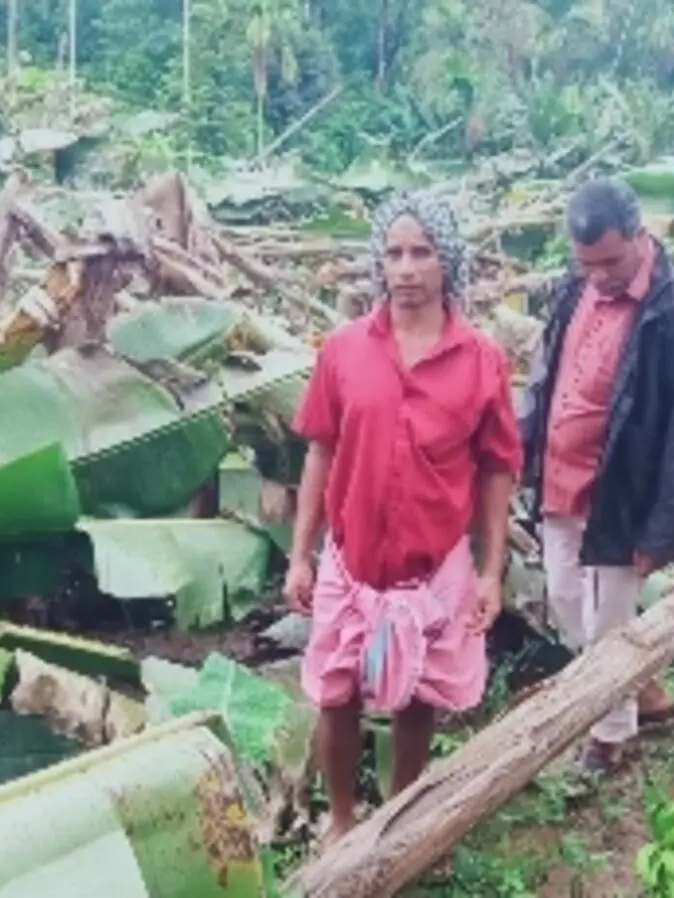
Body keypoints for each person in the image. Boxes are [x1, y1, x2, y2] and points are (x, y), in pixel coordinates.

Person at [283, 191, 522, 845]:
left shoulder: (481, 361)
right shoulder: (344, 350)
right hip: (351, 560)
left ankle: (399, 821)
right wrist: (300, 554)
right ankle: (340, 823)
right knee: (336, 693)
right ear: (378, 263)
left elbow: (497, 469)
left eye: (422, 252)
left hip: (434, 566)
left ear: (449, 261)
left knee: (419, 696)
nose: (407, 268)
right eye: (394, 253)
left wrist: (490, 571)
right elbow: (320, 450)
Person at [519, 176, 674, 775]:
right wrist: (524, 445)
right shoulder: (574, 288)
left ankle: (608, 738)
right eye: (587, 263)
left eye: (610, 262)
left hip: (621, 493)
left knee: (608, 622)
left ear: (639, 236)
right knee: (564, 595)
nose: (599, 275)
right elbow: (546, 377)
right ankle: (646, 690)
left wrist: (666, 527)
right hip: (561, 478)